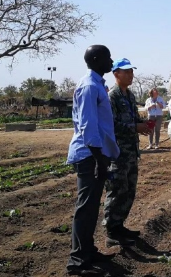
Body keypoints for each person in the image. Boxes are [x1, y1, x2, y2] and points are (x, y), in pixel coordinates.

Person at [66, 45, 118, 276]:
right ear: (96, 60)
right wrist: (99, 159)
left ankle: (88, 251)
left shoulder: (97, 84)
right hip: (89, 155)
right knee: (85, 208)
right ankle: (77, 261)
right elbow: (87, 125)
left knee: (91, 207)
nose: (111, 61)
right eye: (108, 57)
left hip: (97, 154)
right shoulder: (89, 86)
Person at [103, 58, 152, 247]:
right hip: (117, 152)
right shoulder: (112, 96)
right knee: (116, 191)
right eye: (127, 72)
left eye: (132, 71)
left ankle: (119, 225)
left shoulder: (129, 96)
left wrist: (144, 124)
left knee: (129, 190)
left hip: (131, 151)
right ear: (116, 74)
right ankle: (111, 231)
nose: (131, 75)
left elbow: (134, 118)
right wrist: (135, 127)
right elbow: (111, 125)